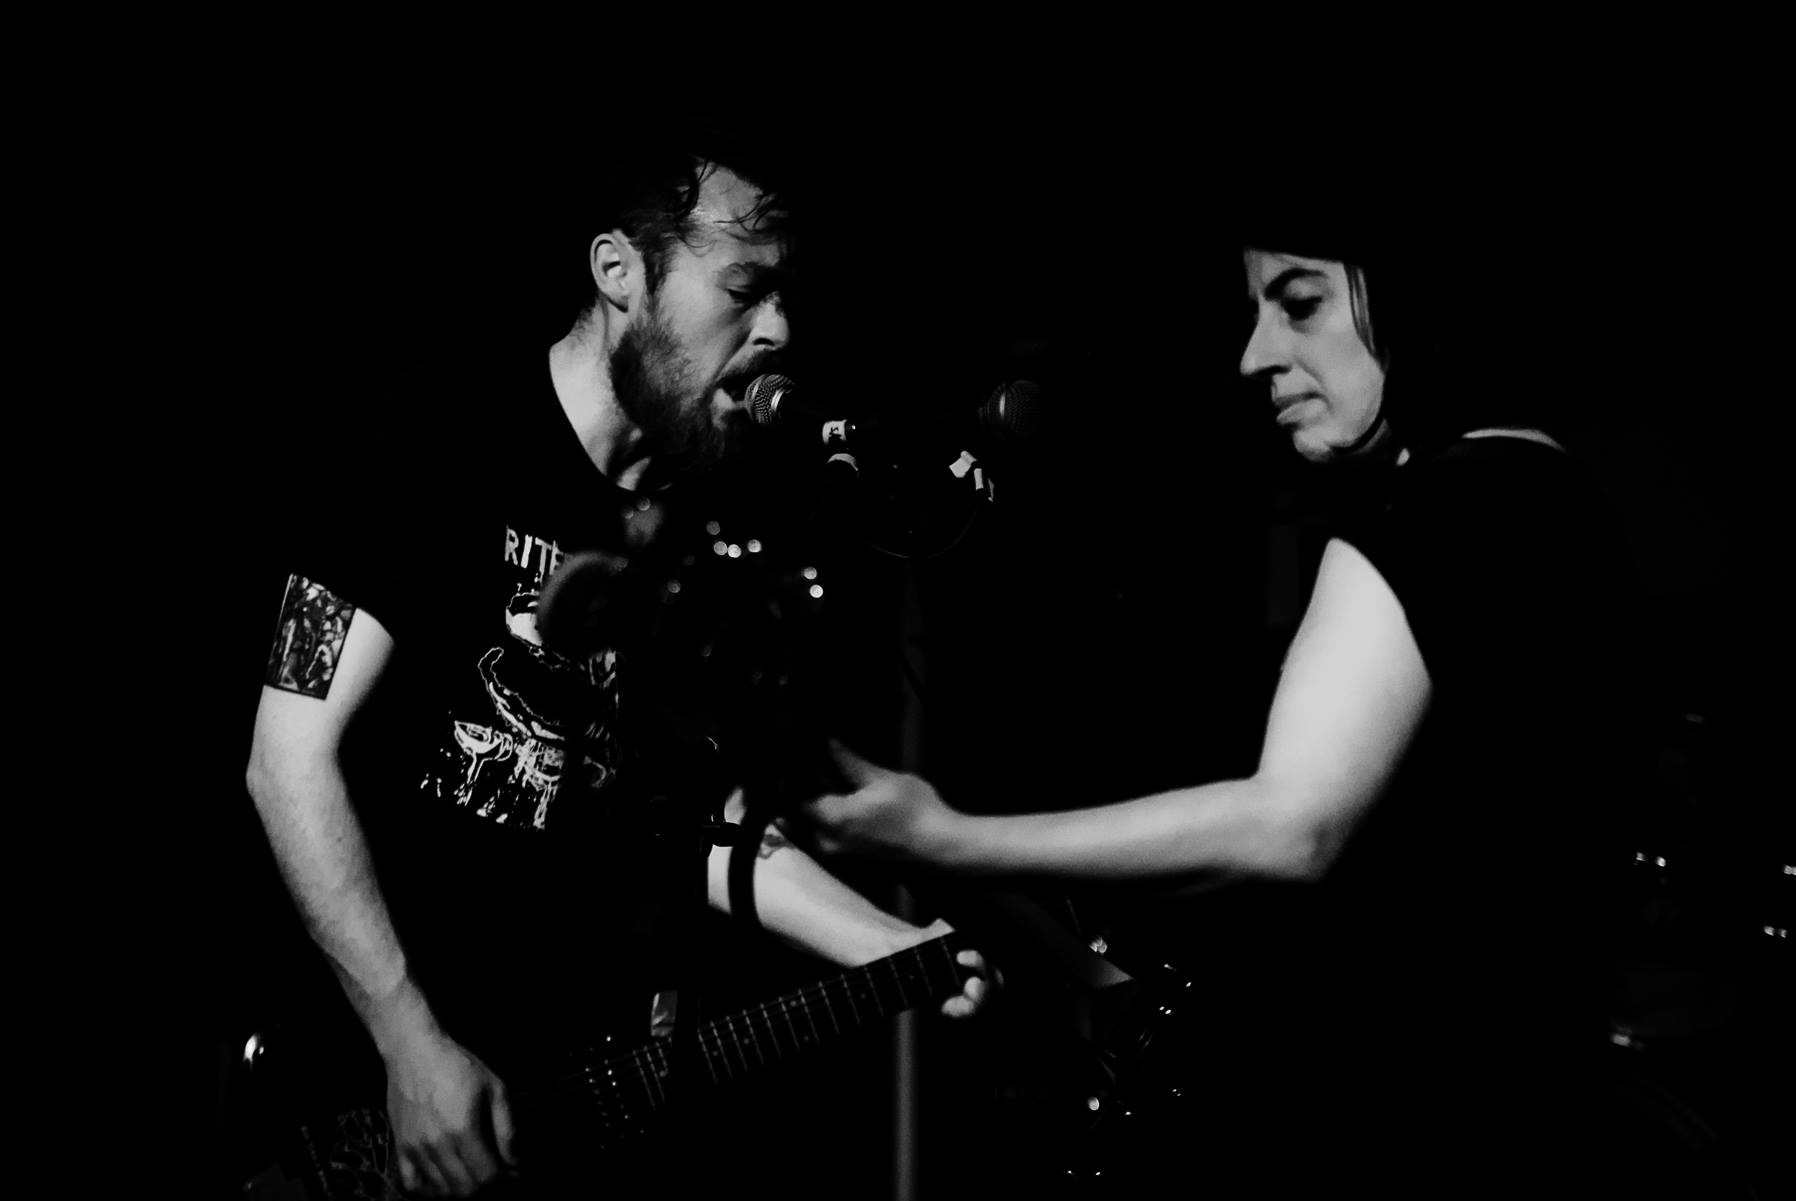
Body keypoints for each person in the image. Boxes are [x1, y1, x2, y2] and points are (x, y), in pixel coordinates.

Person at [796, 204, 1645, 1195]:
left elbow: (1291, 825)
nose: (1255, 355)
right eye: (1256, 312)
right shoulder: (1555, 493)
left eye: (1301, 304)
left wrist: (945, 839)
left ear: (1418, 302)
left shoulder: (1450, 509)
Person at [243, 129, 988, 1199]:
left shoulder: (697, 530)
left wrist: (892, 944)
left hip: (552, 1104)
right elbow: (287, 759)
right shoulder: (438, 436)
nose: (778, 328)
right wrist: (407, 1039)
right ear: (618, 272)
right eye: (745, 288)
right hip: (360, 1101)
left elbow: (700, 823)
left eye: (788, 296)